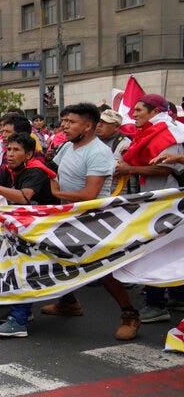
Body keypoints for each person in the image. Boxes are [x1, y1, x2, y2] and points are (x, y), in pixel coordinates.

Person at [43, 103, 141, 340]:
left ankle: (130, 314)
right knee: (59, 257)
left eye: (71, 122)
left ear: (87, 127)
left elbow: (90, 193)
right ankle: (69, 302)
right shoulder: (67, 146)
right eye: (64, 121)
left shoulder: (98, 152)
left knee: (102, 269)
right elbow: (51, 171)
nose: (64, 126)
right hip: (68, 216)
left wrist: (57, 194)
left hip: (93, 219)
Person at [0, 133, 58, 338]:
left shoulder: (36, 170)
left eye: (16, 150)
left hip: (46, 225)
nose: (9, 154)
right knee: (29, 267)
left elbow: (23, 196)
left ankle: (19, 320)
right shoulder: (8, 169)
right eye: (8, 149)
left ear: (28, 154)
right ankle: (26, 312)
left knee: (24, 268)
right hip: (26, 224)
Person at [115, 94, 184, 324]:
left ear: (155, 112)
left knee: (155, 249)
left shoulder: (167, 133)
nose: (134, 115)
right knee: (169, 248)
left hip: (166, 201)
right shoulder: (154, 131)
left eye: (139, 110)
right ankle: (176, 296)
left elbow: (164, 170)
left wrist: (129, 169)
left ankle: (156, 304)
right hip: (158, 200)